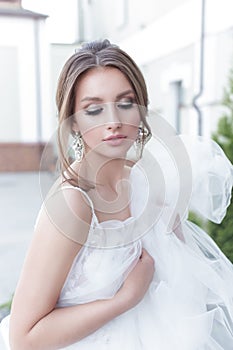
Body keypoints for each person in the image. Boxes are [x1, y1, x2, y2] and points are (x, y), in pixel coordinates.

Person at [1, 39, 233, 350]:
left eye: (125, 103)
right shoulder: (73, 203)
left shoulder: (152, 188)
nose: (114, 122)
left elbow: (183, 286)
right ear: (73, 122)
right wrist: (125, 299)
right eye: (94, 109)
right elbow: (24, 337)